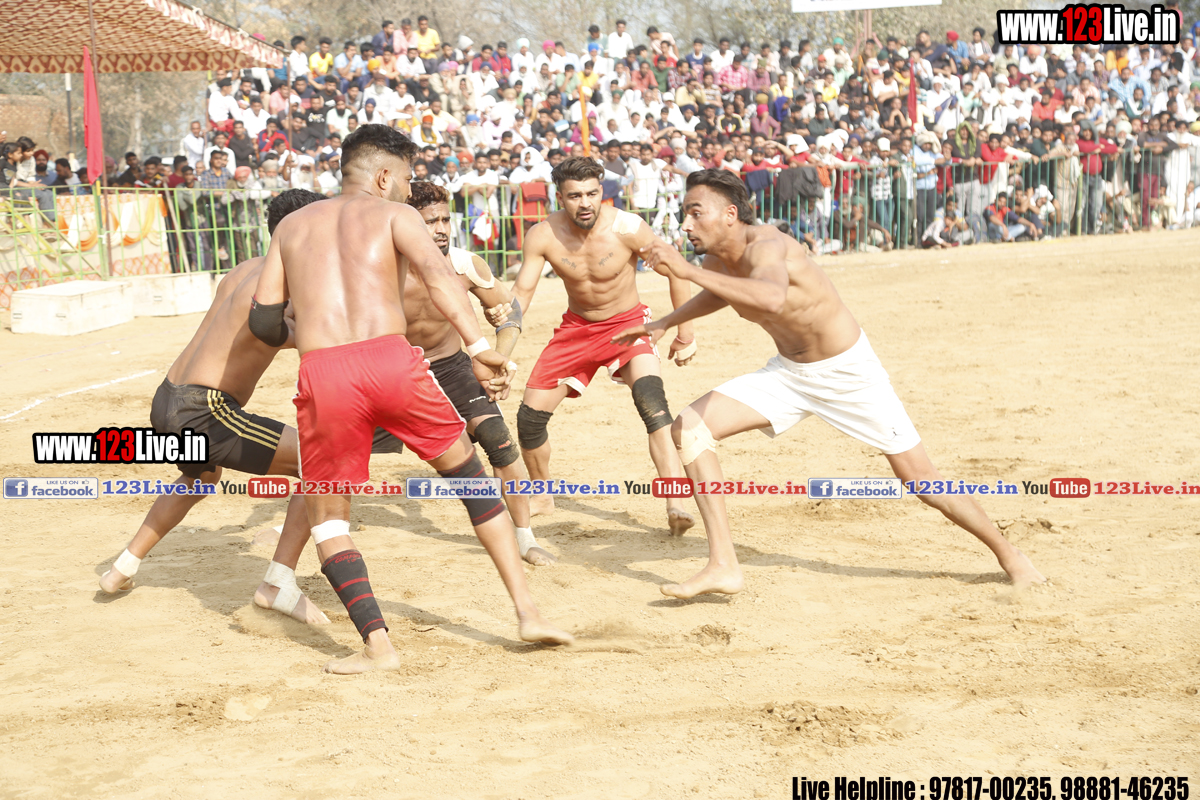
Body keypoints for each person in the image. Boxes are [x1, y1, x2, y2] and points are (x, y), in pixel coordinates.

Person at [613, 170, 1046, 599]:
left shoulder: (767, 244)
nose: (685, 224)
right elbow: (722, 293)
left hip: (848, 374)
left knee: (921, 480)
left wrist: (686, 270)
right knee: (690, 429)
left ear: (729, 214)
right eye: (684, 214)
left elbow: (770, 297)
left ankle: (1013, 558)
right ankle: (723, 565)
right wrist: (667, 322)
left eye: (695, 213)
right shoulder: (716, 259)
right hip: (789, 373)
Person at [251, 125, 572, 673]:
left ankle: (378, 647)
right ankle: (528, 612)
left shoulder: (291, 226)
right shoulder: (396, 216)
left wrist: (310, 332)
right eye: (404, 177)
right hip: (392, 360)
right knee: (471, 479)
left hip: (325, 371)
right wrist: (480, 347)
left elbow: (262, 322)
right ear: (383, 176)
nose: (407, 187)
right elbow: (441, 280)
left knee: (329, 517)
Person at [99, 190, 331, 627]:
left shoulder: (244, 270)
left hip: (168, 396)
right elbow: (308, 335)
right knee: (318, 463)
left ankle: (122, 568)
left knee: (200, 477)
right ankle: (278, 582)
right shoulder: (286, 285)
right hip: (204, 411)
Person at [501, 156, 696, 533]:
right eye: (575, 196)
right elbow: (521, 293)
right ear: (560, 197)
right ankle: (542, 494)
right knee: (529, 419)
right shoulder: (543, 234)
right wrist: (500, 353)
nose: (585, 203)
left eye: (592, 193)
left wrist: (684, 332)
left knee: (652, 404)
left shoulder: (628, 227)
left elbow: (677, 270)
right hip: (576, 330)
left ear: (601, 191)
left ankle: (676, 501)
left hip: (628, 325)